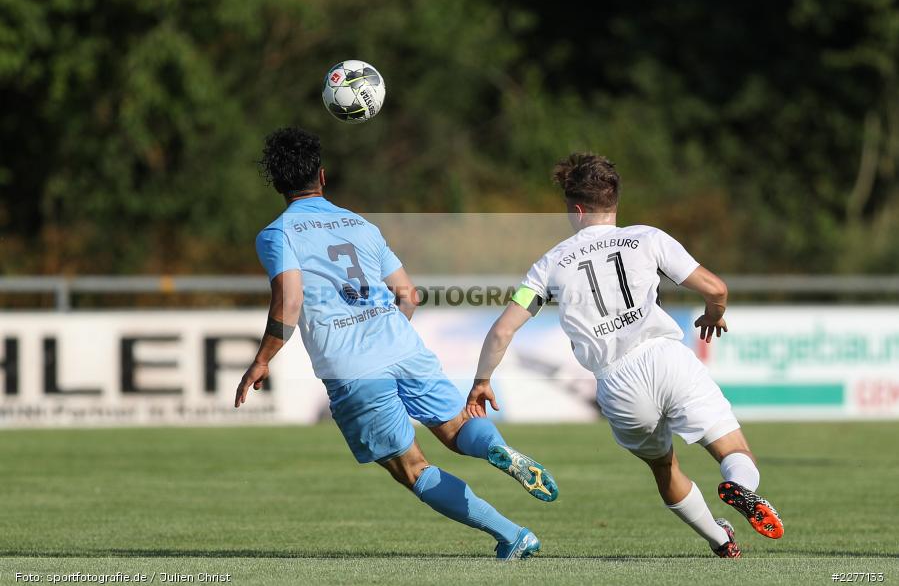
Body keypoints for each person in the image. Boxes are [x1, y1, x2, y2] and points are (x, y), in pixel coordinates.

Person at [234, 127, 557, 560]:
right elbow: (409, 295)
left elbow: (289, 300)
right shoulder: (360, 225)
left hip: (353, 368)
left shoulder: (277, 234)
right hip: (405, 349)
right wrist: (386, 331)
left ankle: (512, 534)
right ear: (323, 176)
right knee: (459, 428)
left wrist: (262, 359)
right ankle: (496, 447)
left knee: (412, 468)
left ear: (277, 184)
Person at [467, 153, 783, 558]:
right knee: (732, 449)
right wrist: (713, 315)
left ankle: (720, 541)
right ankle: (740, 487)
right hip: (666, 357)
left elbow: (502, 330)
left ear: (577, 209)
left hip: (616, 382)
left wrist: (481, 381)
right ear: (613, 202)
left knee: (664, 468)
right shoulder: (648, 238)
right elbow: (716, 289)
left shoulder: (548, 265)